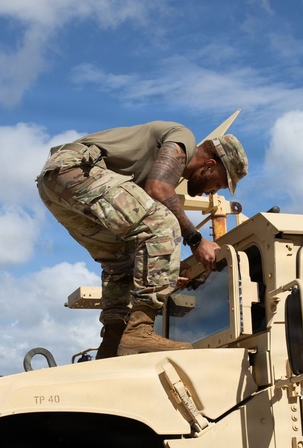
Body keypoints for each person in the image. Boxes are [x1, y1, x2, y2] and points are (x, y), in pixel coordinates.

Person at [36, 121, 248, 358]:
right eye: (218, 183)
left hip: (55, 185)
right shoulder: (183, 138)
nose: (213, 192)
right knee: (163, 221)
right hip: (74, 170)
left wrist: (165, 267)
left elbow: (143, 235)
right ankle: (139, 330)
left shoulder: (152, 171)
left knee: (120, 258)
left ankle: (112, 343)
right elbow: (158, 188)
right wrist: (196, 240)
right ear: (210, 165)